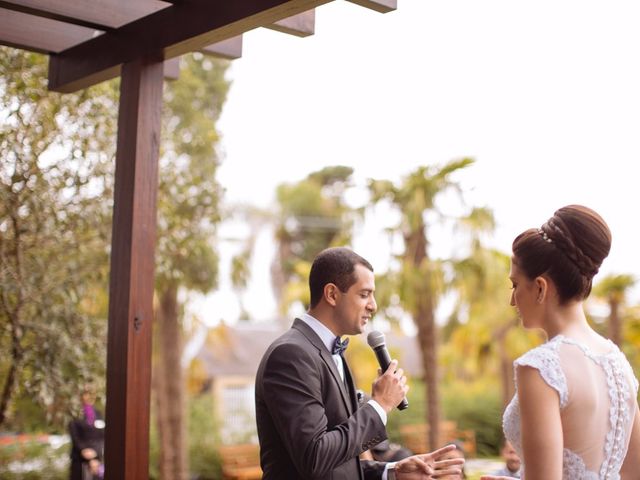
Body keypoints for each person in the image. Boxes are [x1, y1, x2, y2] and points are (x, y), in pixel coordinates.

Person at [255, 247, 464, 479]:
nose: (373, 305)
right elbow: (314, 457)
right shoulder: (291, 354)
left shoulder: (331, 354)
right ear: (332, 294)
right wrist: (380, 405)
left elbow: (338, 465)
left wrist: (392, 472)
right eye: (364, 294)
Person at [481, 205, 640, 480]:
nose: (512, 299)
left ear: (541, 287)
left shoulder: (541, 369)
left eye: (515, 285)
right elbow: (635, 471)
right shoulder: (619, 364)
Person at [68, 386, 105, 480]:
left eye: (92, 394)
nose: (90, 397)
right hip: (80, 459)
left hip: (96, 461)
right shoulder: (75, 413)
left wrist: (95, 456)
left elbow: (102, 436)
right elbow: (75, 436)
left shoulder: (98, 414)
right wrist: (86, 452)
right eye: (87, 394)